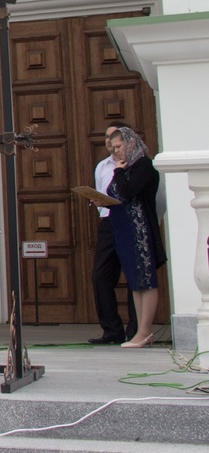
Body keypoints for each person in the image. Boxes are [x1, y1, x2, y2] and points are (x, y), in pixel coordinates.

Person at [105, 126, 166, 348]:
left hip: (141, 232)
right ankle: (140, 332)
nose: (116, 152)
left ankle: (145, 331)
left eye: (119, 146)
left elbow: (128, 191)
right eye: (114, 148)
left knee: (146, 280)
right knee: (135, 281)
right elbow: (113, 192)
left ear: (130, 143)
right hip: (125, 231)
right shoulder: (127, 167)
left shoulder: (144, 166)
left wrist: (118, 172)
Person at [88, 123, 137, 345]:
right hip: (108, 223)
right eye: (107, 137)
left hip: (129, 222)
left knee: (134, 275)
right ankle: (111, 330)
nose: (109, 141)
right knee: (101, 275)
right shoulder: (102, 167)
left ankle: (135, 330)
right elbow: (102, 193)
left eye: (114, 138)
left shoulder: (136, 164)